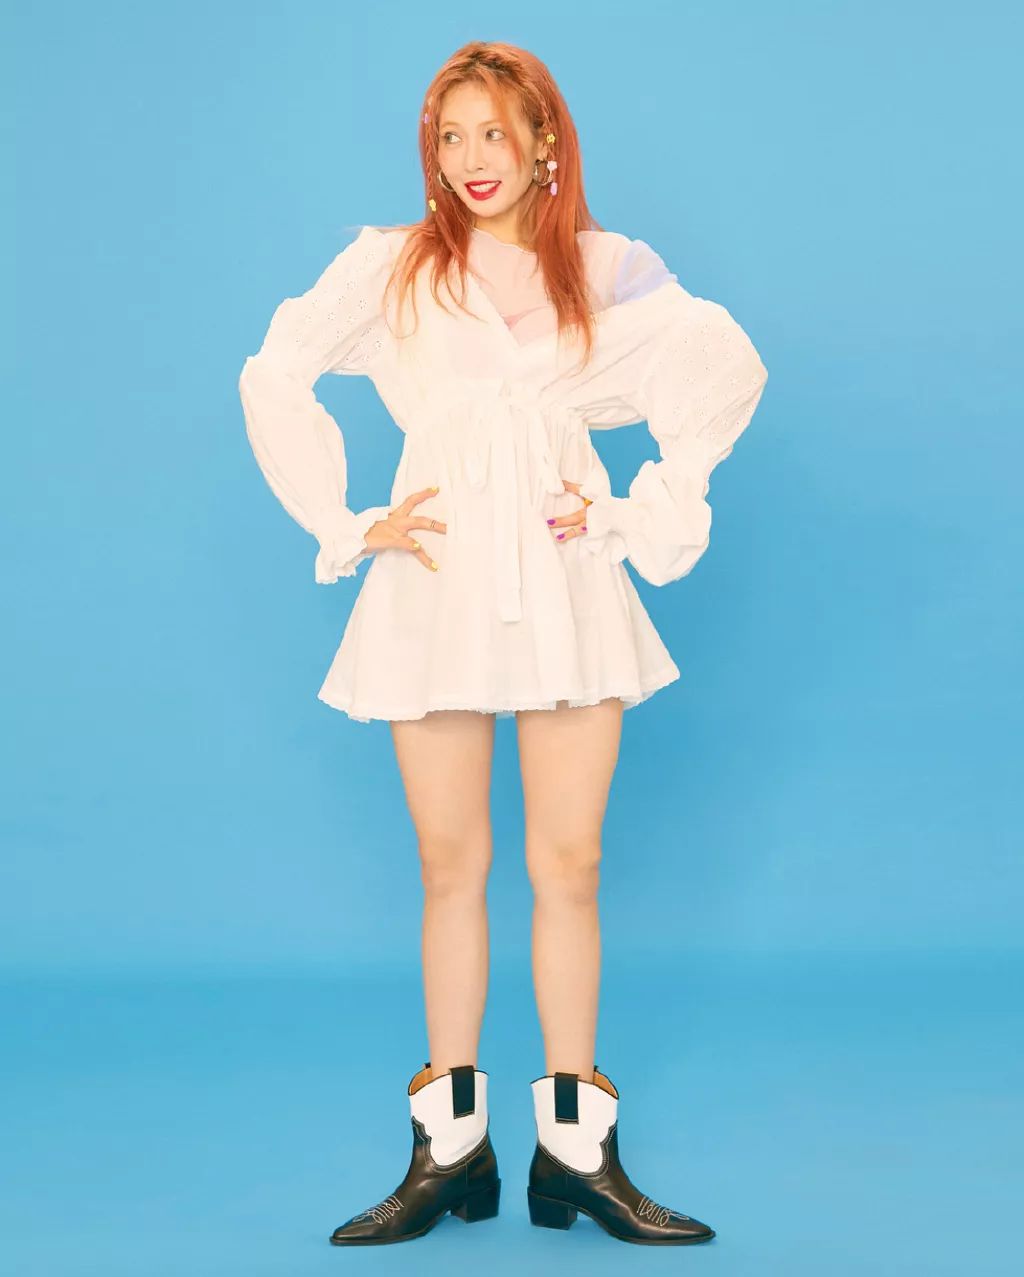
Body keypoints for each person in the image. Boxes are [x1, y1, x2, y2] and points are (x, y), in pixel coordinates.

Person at [238, 40, 767, 1247]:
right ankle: (451, 1152)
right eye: (449, 135)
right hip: (434, 587)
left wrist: (633, 508)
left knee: (569, 862)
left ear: (544, 143)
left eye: (494, 131)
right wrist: (346, 521)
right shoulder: (391, 268)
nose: (471, 158)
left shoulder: (608, 267)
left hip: (566, 581)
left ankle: (576, 1157)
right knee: (449, 864)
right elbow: (277, 369)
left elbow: (720, 368)